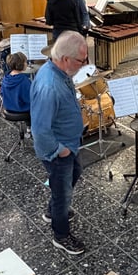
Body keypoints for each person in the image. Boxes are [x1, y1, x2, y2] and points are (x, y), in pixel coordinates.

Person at [30, 31, 88, 255]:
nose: (84, 65)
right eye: (81, 61)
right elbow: (39, 130)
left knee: (74, 173)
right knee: (63, 194)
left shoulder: (60, 71)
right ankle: (61, 235)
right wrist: (59, 150)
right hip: (58, 150)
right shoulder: (49, 86)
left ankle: (52, 211)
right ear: (65, 58)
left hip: (69, 143)